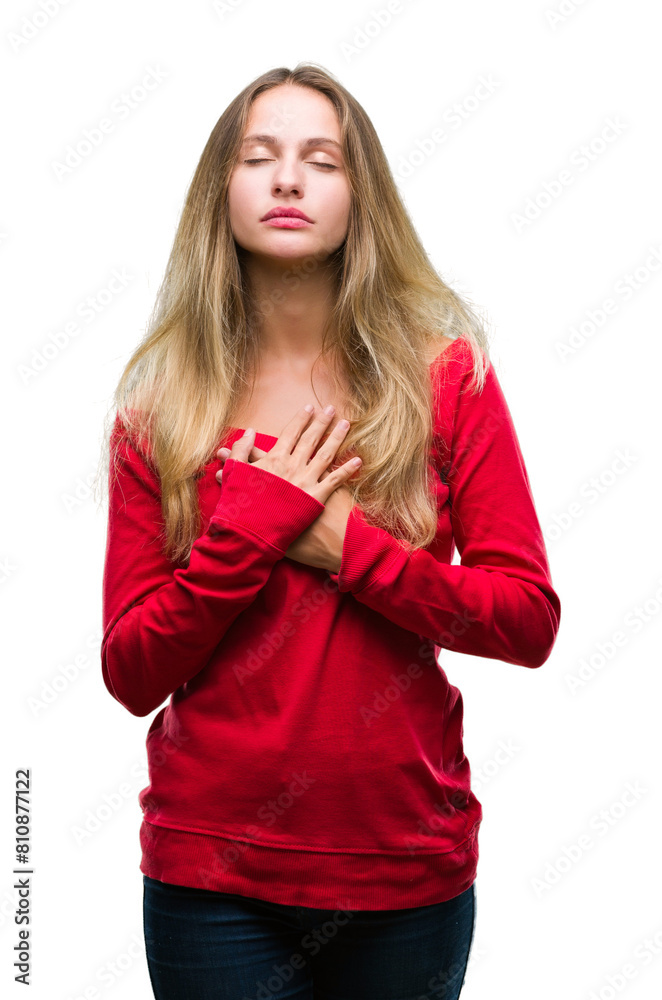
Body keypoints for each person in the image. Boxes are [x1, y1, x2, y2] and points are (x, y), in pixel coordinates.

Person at [99, 63, 561, 1000]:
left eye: (322, 160)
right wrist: (251, 536)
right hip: (209, 879)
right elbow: (130, 672)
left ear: (363, 197)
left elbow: (527, 620)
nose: (286, 179)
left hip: (404, 871)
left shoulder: (447, 381)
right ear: (218, 191)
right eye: (258, 156)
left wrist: (352, 550)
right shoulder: (161, 407)